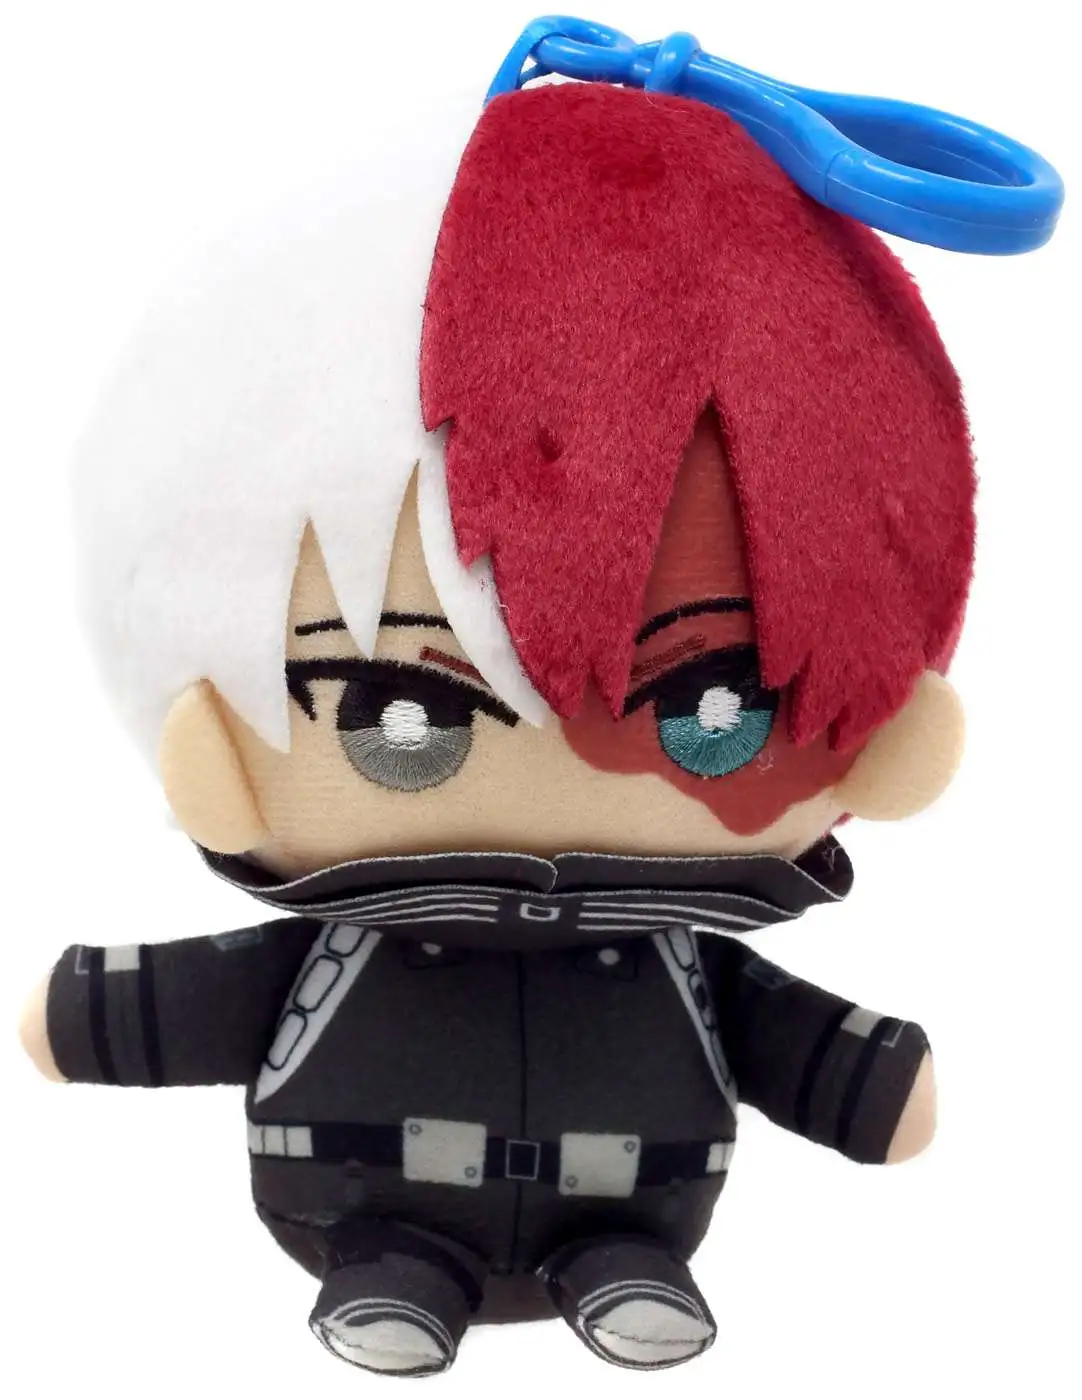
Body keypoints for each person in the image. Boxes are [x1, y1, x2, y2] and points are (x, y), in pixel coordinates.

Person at [20, 80, 972, 1376]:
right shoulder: (392, 942)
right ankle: (400, 1268)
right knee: (395, 1255)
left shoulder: (670, 952)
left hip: (634, 1203)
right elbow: (214, 993)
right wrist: (93, 1013)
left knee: (623, 1247)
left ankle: (617, 1261)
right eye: (400, 717)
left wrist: (860, 1078)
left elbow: (771, 1026)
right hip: (361, 1202)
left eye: (713, 712)